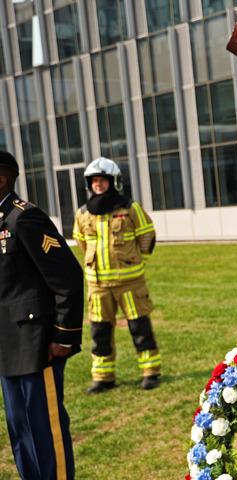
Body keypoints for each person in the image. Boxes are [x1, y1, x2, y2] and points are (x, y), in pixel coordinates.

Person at [0, 151, 82, 478]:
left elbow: (67, 278)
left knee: (44, 429)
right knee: (20, 432)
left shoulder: (25, 218)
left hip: (35, 344)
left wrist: (64, 335)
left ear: (2, 178)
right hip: (7, 345)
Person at [72, 157, 161, 393]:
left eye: (102, 180)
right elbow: (81, 241)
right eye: (94, 181)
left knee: (139, 328)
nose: (98, 184)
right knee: (99, 332)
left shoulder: (130, 208)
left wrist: (136, 261)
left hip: (129, 283)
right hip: (98, 286)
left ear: (113, 182)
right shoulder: (82, 213)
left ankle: (150, 372)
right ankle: (103, 377)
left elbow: (147, 236)